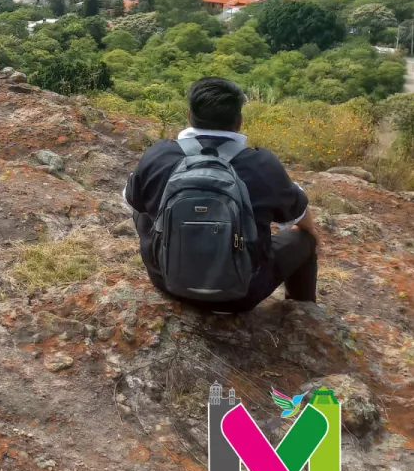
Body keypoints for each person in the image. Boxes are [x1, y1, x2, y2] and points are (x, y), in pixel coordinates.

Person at [123, 76, 319, 312]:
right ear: (239, 121)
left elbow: (129, 200)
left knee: (141, 206)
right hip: (241, 295)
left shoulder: (159, 155)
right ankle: (303, 312)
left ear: (189, 115)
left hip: (167, 282)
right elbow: (299, 216)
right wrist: (312, 234)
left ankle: (173, 263)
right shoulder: (262, 164)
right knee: (305, 240)